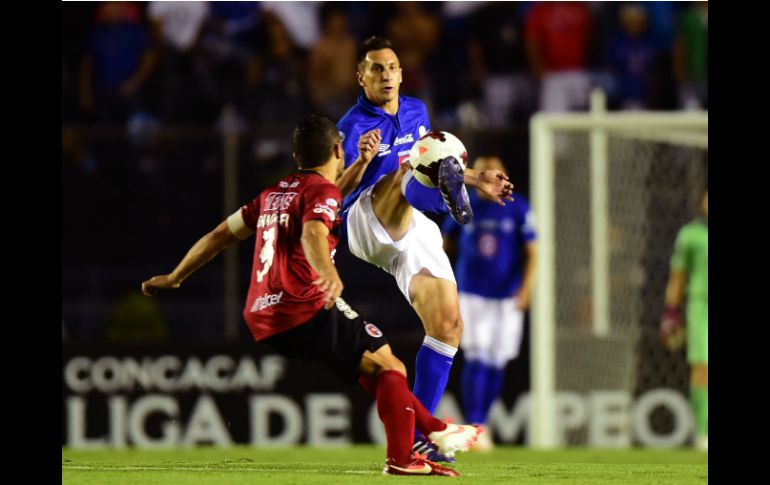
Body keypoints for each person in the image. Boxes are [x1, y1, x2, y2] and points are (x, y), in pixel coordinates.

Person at [141, 114, 480, 476]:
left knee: (375, 369)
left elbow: (219, 235)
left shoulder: (272, 194)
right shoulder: (323, 192)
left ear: (295, 155)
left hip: (260, 314)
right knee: (391, 367)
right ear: (338, 150)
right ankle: (405, 457)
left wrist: (176, 276)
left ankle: (433, 431)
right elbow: (313, 234)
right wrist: (328, 273)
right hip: (304, 305)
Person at [336, 36, 514, 461]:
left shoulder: (416, 110)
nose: (386, 75)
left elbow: (428, 161)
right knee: (405, 169)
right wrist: (361, 161)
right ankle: (451, 201)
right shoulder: (352, 127)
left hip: (412, 223)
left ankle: (418, 437)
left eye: (392, 66)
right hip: (365, 219)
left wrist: (477, 177)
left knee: (449, 325)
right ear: (360, 77)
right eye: (376, 68)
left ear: (401, 72)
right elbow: (331, 191)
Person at [442, 156, 537, 451]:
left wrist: (526, 289)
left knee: (497, 359)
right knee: (477, 355)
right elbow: (444, 242)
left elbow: (533, 251)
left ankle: (480, 426)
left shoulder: (519, 206)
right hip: (472, 292)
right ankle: (475, 423)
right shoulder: (464, 205)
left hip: (507, 294)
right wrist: (446, 281)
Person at [660, 189, 708, 451]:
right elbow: (678, 276)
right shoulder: (690, 235)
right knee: (703, 367)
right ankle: (704, 433)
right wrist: (671, 313)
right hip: (701, 305)